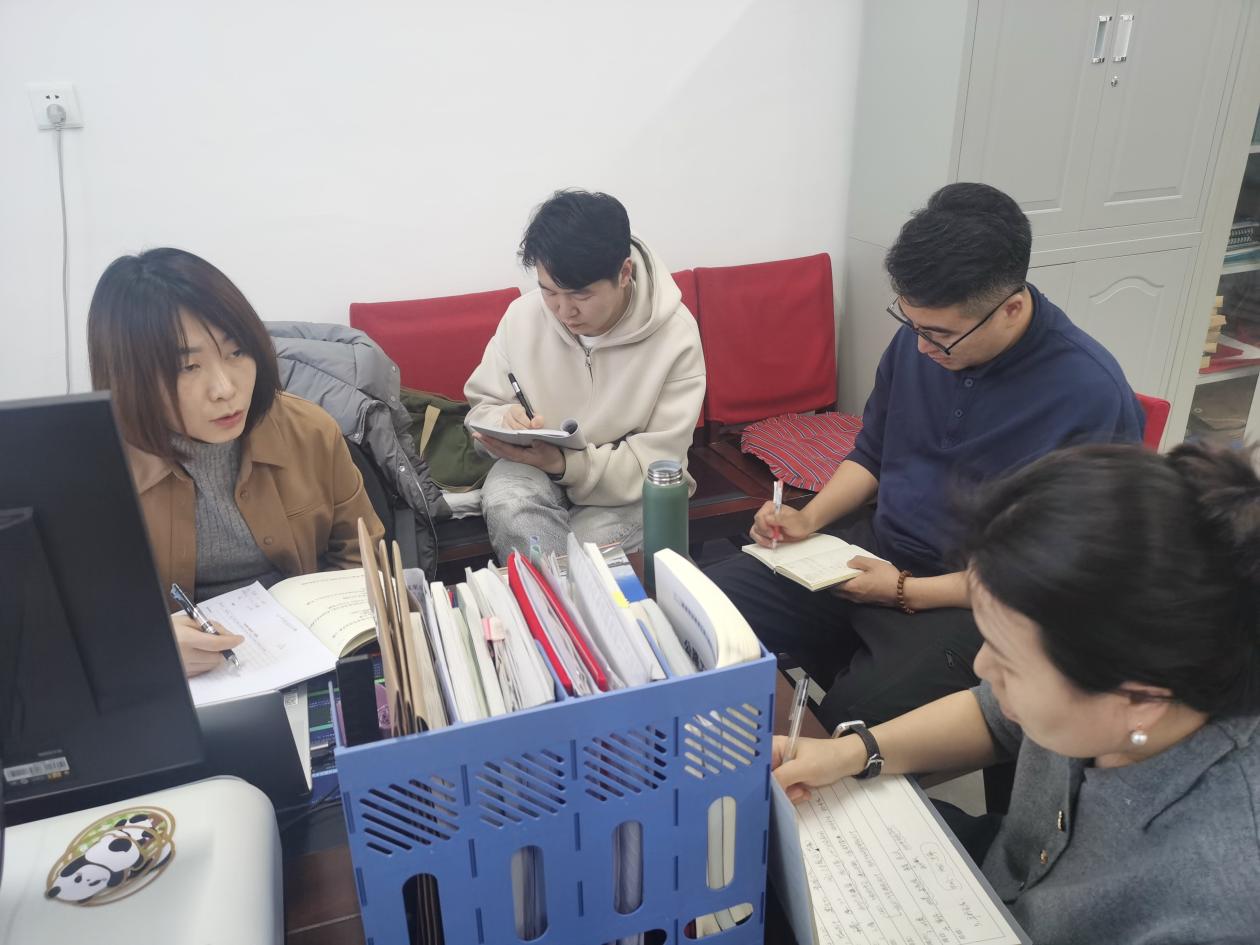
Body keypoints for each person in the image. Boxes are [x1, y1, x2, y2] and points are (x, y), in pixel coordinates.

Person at [773, 442, 1260, 944]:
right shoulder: (1109, 684)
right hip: (995, 881)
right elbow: (994, 715)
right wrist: (847, 753)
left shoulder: (1219, 897)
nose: (982, 667)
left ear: (1141, 701)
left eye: (1010, 662)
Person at [705, 182, 1145, 729]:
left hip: (977, 601)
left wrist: (903, 591)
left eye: (940, 335)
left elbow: (1055, 577)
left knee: (850, 724)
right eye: (911, 324)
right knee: (704, 608)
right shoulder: (925, 341)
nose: (921, 348)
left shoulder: (1089, 395)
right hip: (875, 551)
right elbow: (872, 452)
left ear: (1010, 309)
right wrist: (807, 518)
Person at [87, 248, 384, 676]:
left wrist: (334, 631)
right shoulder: (98, 473)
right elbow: (76, 624)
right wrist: (150, 644)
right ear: (129, 377)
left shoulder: (309, 431)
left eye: (237, 352)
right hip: (181, 680)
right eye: (188, 367)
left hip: (307, 657)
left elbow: (364, 558)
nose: (225, 388)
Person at [464, 189, 705, 561]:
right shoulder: (522, 317)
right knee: (509, 502)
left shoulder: (676, 336)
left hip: (626, 487)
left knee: (586, 550)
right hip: (535, 467)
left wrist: (565, 464)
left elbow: (658, 462)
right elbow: (482, 409)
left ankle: (560, 592)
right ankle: (558, 594)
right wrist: (504, 420)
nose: (564, 311)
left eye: (580, 295)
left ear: (624, 273)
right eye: (549, 292)